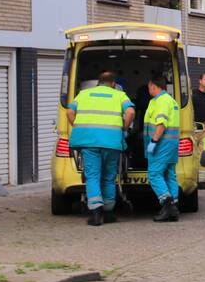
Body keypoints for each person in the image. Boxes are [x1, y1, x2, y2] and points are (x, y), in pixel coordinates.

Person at [66, 71, 135, 226]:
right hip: (112, 142)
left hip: (90, 143)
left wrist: (78, 126)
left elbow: (69, 112)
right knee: (109, 177)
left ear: (99, 82)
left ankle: (96, 214)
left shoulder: (83, 94)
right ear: (113, 83)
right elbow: (130, 112)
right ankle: (109, 213)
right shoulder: (119, 95)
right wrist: (123, 128)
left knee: (93, 177)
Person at [144, 76, 181, 222]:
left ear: (154, 85)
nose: (148, 90)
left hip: (162, 144)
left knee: (154, 174)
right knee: (169, 174)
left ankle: (168, 205)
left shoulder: (162, 101)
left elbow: (161, 124)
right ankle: (174, 208)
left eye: (149, 87)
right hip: (171, 144)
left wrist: (153, 141)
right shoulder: (170, 100)